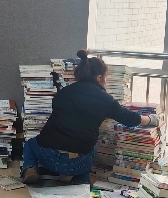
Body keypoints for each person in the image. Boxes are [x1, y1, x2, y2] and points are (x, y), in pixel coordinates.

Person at [21, 50, 160, 185]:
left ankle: (30, 168)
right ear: (99, 77)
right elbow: (129, 119)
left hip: (47, 158)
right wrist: (150, 119)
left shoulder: (64, 92)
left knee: (30, 143)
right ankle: (81, 179)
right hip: (77, 164)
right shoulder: (106, 100)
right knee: (91, 146)